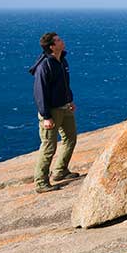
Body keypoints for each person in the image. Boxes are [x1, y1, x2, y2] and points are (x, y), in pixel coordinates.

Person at [29, 32, 79, 193]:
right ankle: (41, 182)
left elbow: (65, 84)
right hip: (51, 112)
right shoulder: (45, 66)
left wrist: (70, 100)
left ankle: (60, 171)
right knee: (49, 146)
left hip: (65, 107)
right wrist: (46, 116)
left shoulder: (62, 60)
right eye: (58, 40)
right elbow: (40, 93)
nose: (62, 41)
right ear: (52, 46)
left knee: (70, 139)